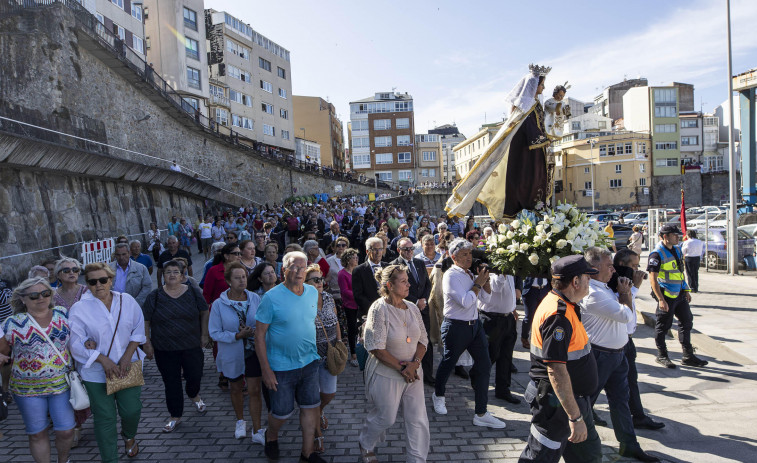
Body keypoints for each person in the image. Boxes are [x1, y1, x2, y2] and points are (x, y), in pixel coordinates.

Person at [577, 248, 659, 462]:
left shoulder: (604, 288)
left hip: (617, 355)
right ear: (594, 270)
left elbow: (629, 327)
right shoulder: (592, 294)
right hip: (598, 357)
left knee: (621, 401)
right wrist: (625, 294)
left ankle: (629, 445)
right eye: (609, 266)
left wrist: (626, 294)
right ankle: (579, 447)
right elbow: (628, 318)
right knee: (585, 404)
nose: (614, 269)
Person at [518, 255, 601, 463]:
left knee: (589, 456)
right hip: (557, 407)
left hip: (573, 402)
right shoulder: (558, 315)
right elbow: (556, 370)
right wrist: (575, 417)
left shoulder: (564, 304)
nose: (590, 281)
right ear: (575, 281)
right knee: (541, 457)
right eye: (587, 277)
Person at [446, 64, 554, 219]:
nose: (543, 88)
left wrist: (547, 137)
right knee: (526, 181)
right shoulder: (525, 106)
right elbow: (525, 126)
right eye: (542, 85)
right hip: (526, 152)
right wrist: (541, 139)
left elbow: (540, 125)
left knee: (536, 181)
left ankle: (537, 210)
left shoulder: (536, 104)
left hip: (536, 152)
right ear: (534, 85)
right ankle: (526, 211)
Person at [69, 262, 146, 462]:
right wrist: (102, 360)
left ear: (111, 280)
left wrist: (127, 357)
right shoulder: (79, 309)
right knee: (105, 419)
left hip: (127, 367)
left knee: (132, 410)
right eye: (93, 282)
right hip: (95, 373)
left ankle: (129, 436)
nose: (99, 285)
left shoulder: (126, 301)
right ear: (87, 284)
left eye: (103, 280)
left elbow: (138, 330)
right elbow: (75, 343)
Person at [255, 251, 326, 463]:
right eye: (293, 267)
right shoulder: (270, 298)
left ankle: (307, 453)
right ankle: (272, 435)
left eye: (302, 267)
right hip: (281, 367)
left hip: (310, 363)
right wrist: (266, 370)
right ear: (283, 270)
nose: (298, 271)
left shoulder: (313, 293)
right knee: (282, 412)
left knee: (310, 408)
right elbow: (259, 335)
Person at [359, 265, 430, 463]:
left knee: (417, 419)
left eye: (408, 280)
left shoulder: (413, 307)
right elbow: (376, 348)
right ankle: (366, 442)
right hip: (387, 373)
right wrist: (402, 368)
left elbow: (423, 340)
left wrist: (414, 364)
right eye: (403, 281)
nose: (409, 284)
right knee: (386, 417)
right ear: (390, 285)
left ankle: (416, 459)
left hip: (414, 372)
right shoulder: (379, 308)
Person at [432, 238, 505, 428]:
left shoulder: (469, 273)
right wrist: (478, 283)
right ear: (454, 257)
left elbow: (486, 297)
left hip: (475, 326)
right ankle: (438, 394)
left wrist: (484, 281)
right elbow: (465, 301)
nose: (469, 258)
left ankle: (481, 412)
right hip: (456, 326)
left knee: (484, 364)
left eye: (470, 254)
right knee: (449, 362)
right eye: (464, 254)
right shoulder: (451, 275)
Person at [0, 277, 75, 463]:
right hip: (27, 390)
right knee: (36, 433)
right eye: (33, 295)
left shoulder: (63, 314)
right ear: (23, 299)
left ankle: (63, 461)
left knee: (66, 430)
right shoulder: (12, 323)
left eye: (45, 293)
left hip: (61, 385)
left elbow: (78, 340)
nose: (40, 298)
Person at [142, 260, 210, 434]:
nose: (171, 275)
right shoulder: (155, 296)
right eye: (168, 272)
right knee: (171, 382)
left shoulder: (193, 292)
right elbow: (146, 320)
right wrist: (147, 343)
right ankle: (175, 415)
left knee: (194, 374)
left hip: (191, 344)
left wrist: (204, 334)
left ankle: (194, 394)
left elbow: (204, 311)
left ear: (182, 275)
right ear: (163, 276)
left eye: (175, 271)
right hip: (164, 347)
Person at [209, 262, 267, 444]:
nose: (242, 280)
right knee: (235, 388)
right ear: (228, 281)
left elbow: (264, 322)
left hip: (253, 352)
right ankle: (240, 421)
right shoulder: (219, 304)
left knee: (255, 390)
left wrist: (254, 331)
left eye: (243, 276)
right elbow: (214, 332)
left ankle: (257, 430)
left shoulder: (255, 298)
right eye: (237, 277)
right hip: (232, 352)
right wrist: (236, 335)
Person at [610, 250, 665, 431]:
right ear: (623, 266)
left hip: (627, 340)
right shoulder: (617, 283)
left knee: (630, 380)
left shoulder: (627, 283)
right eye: (634, 266)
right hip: (616, 342)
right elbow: (623, 309)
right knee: (601, 384)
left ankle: (638, 416)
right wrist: (633, 288)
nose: (637, 270)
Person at [648, 224, 707, 368]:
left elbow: (680, 273)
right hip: (666, 295)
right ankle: (662, 355)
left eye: (678, 235)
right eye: (674, 235)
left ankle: (688, 355)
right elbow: (652, 279)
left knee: (687, 322)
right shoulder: (656, 254)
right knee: (663, 325)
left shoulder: (677, 249)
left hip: (679, 294)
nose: (678, 237)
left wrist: (686, 290)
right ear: (665, 237)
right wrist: (661, 299)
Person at [305, 265, 342, 454]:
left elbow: (335, 321)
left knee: (329, 393)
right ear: (305, 283)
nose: (320, 283)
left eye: (321, 279)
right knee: (312, 398)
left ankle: (319, 412)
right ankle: (317, 435)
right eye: (315, 280)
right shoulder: (301, 301)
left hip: (329, 353)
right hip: (310, 356)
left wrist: (340, 342)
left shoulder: (328, 298)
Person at [390, 238, 434, 386]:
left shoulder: (420, 263)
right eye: (405, 249)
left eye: (411, 249)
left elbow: (428, 285)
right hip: (406, 309)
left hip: (423, 308)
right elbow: (399, 288)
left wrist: (423, 300)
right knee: (408, 341)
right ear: (399, 250)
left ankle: (428, 374)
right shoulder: (394, 266)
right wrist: (416, 302)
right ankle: (409, 369)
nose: (409, 252)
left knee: (425, 341)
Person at [479, 271, 522, 404]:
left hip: (507, 317)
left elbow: (510, 292)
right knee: (490, 355)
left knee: (506, 357)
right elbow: (496, 288)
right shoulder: (489, 270)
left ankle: (503, 390)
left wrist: (513, 309)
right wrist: (501, 273)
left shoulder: (508, 270)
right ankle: (477, 381)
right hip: (491, 318)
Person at [109, 243, 152, 308]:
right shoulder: (108, 268)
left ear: (129, 253)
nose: (121, 257)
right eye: (118, 255)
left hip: (134, 306)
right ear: (115, 255)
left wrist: (136, 303)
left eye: (124, 254)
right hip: (113, 306)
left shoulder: (141, 268)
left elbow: (147, 287)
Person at [338, 248, 360, 367]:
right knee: (352, 330)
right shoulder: (342, 274)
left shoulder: (358, 271)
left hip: (360, 304)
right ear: (347, 259)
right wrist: (358, 295)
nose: (356, 259)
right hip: (350, 305)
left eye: (357, 257)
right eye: (353, 257)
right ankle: (353, 355)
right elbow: (345, 291)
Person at [353, 237, 385, 320]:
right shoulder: (359, 270)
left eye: (380, 249)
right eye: (375, 249)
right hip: (368, 314)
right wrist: (375, 309)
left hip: (388, 312)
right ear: (367, 251)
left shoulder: (388, 267)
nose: (378, 253)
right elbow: (358, 295)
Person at [520, 276, 551, 349]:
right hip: (531, 290)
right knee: (529, 317)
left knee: (544, 317)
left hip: (544, 290)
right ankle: (524, 338)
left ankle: (540, 339)